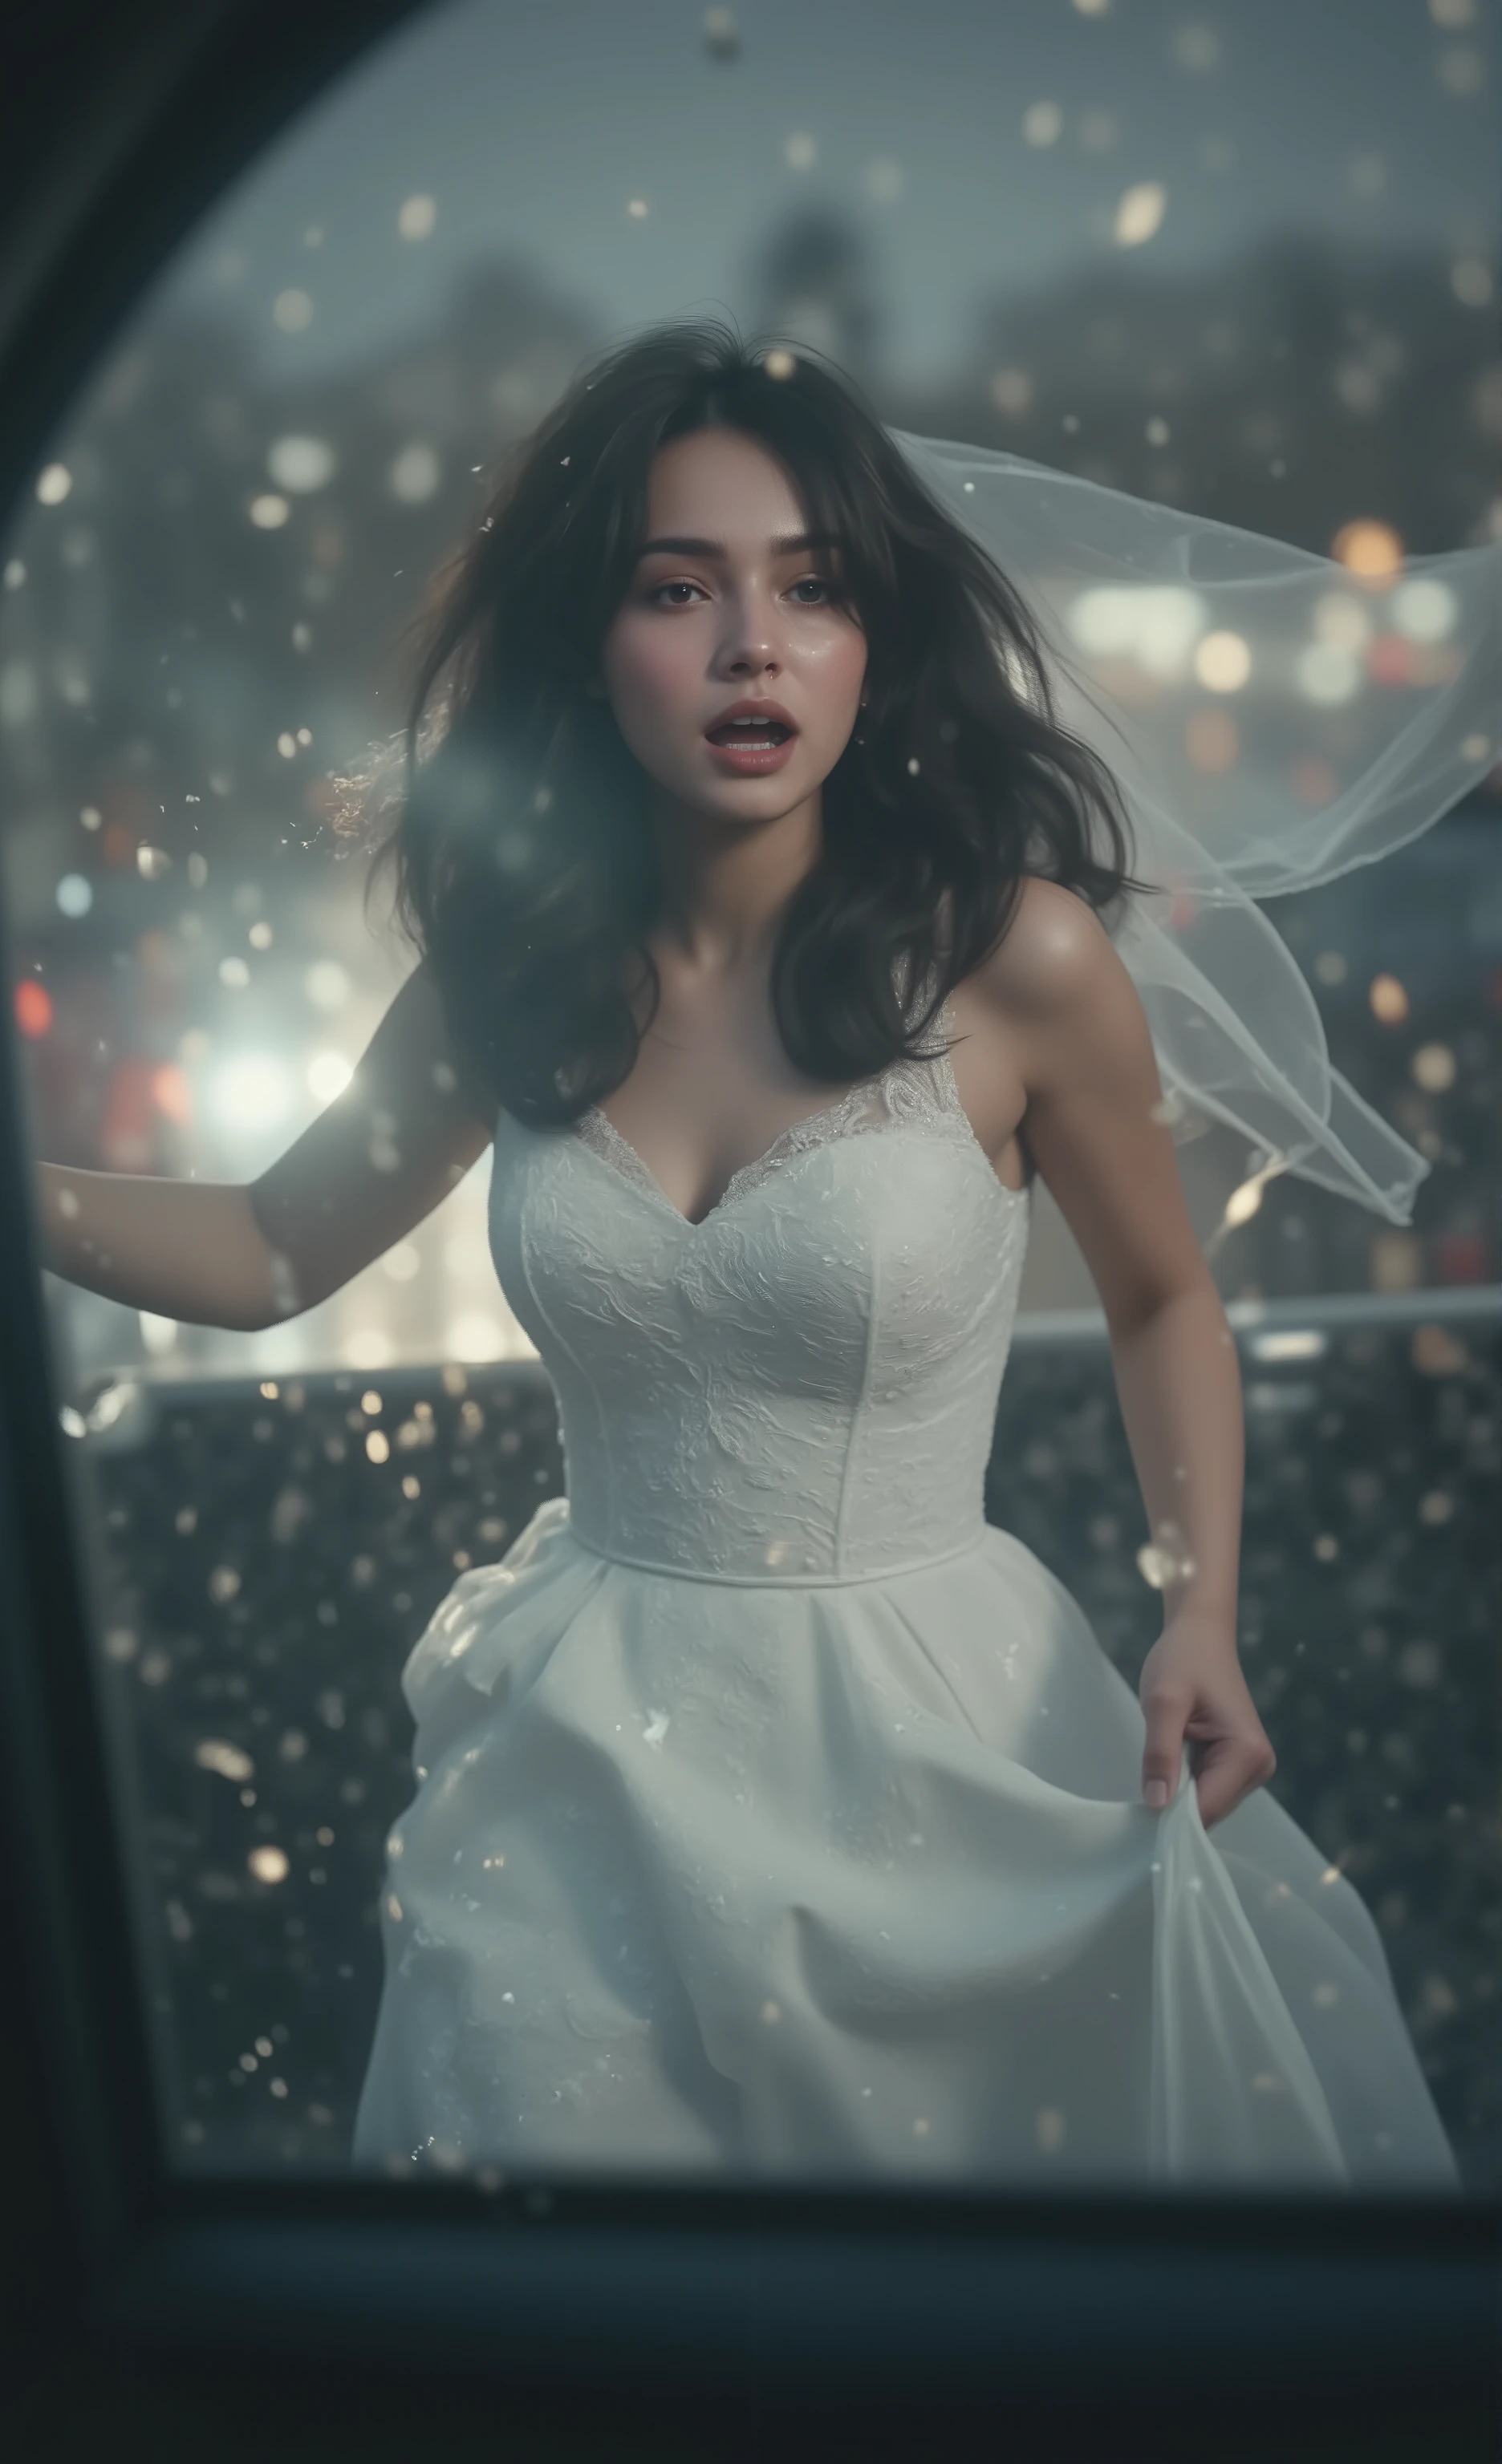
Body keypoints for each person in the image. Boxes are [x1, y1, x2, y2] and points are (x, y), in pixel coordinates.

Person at [36, 322, 1483, 2190]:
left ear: (874, 641)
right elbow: (260, 1245)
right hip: (581, 1766)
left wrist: (1199, 1609)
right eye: (678, 589)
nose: (754, 648)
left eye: (812, 590)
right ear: (589, 640)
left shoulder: (1017, 959)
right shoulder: (514, 968)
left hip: (942, 1745)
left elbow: (1161, 1296)